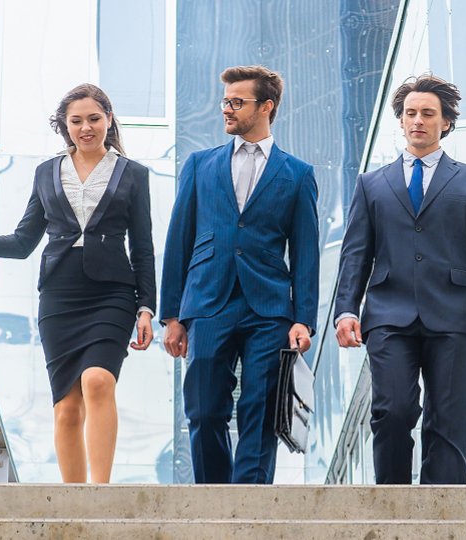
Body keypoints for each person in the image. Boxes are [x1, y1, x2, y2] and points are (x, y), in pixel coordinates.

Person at [0, 83, 156, 483]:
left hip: (113, 293)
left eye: (94, 118)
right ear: (65, 126)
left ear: (109, 119)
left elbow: (143, 247)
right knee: (67, 407)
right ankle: (73, 501)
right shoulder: (47, 172)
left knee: (97, 380)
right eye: (76, 121)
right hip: (60, 296)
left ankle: (101, 492)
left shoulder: (133, 175)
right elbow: (24, 241)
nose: (86, 128)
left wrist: (147, 308)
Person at [333, 74, 466, 484]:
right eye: (410, 113)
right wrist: (345, 309)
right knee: (392, 410)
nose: (418, 120)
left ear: (445, 122)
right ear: (400, 121)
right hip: (387, 314)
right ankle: (393, 508)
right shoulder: (371, 184)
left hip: (453, 314)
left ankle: (443, 516)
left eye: (427, 113)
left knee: (448, 423)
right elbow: (355, 254)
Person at [160, 65, 319, 484]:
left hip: (268, 307)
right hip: (208, 301)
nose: (227, 109)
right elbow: (179, 241)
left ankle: (249, 499)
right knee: (204, 406)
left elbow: (306, 254)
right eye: (225, 101)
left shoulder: (298, 174)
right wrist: (172, 315)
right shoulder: (199, 165)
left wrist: (304, 317)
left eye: (237, 102)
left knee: (260, 407)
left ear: (266, 107)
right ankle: (213, 498)